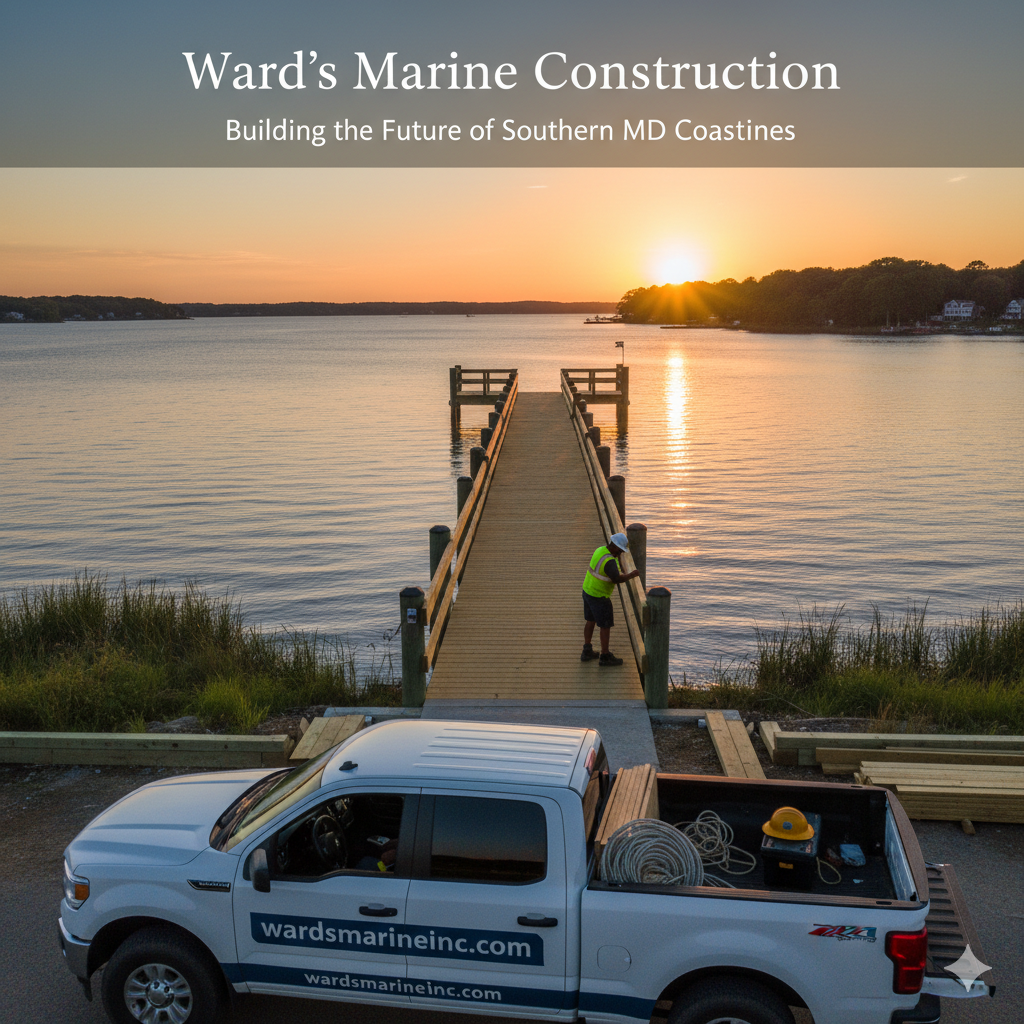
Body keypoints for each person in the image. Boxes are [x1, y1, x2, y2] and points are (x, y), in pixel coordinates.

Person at [581, 532, 641, 666]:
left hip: (588, 591)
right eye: (620, 551)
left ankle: (587, 650)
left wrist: (619, 562)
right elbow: (617, 579)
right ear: (614, 546)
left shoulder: (600, 550)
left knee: (590, 621)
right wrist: (631, 575)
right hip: (600, 596)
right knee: (605, 626)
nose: (620, 554)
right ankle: (605, 655)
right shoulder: (609, 562)